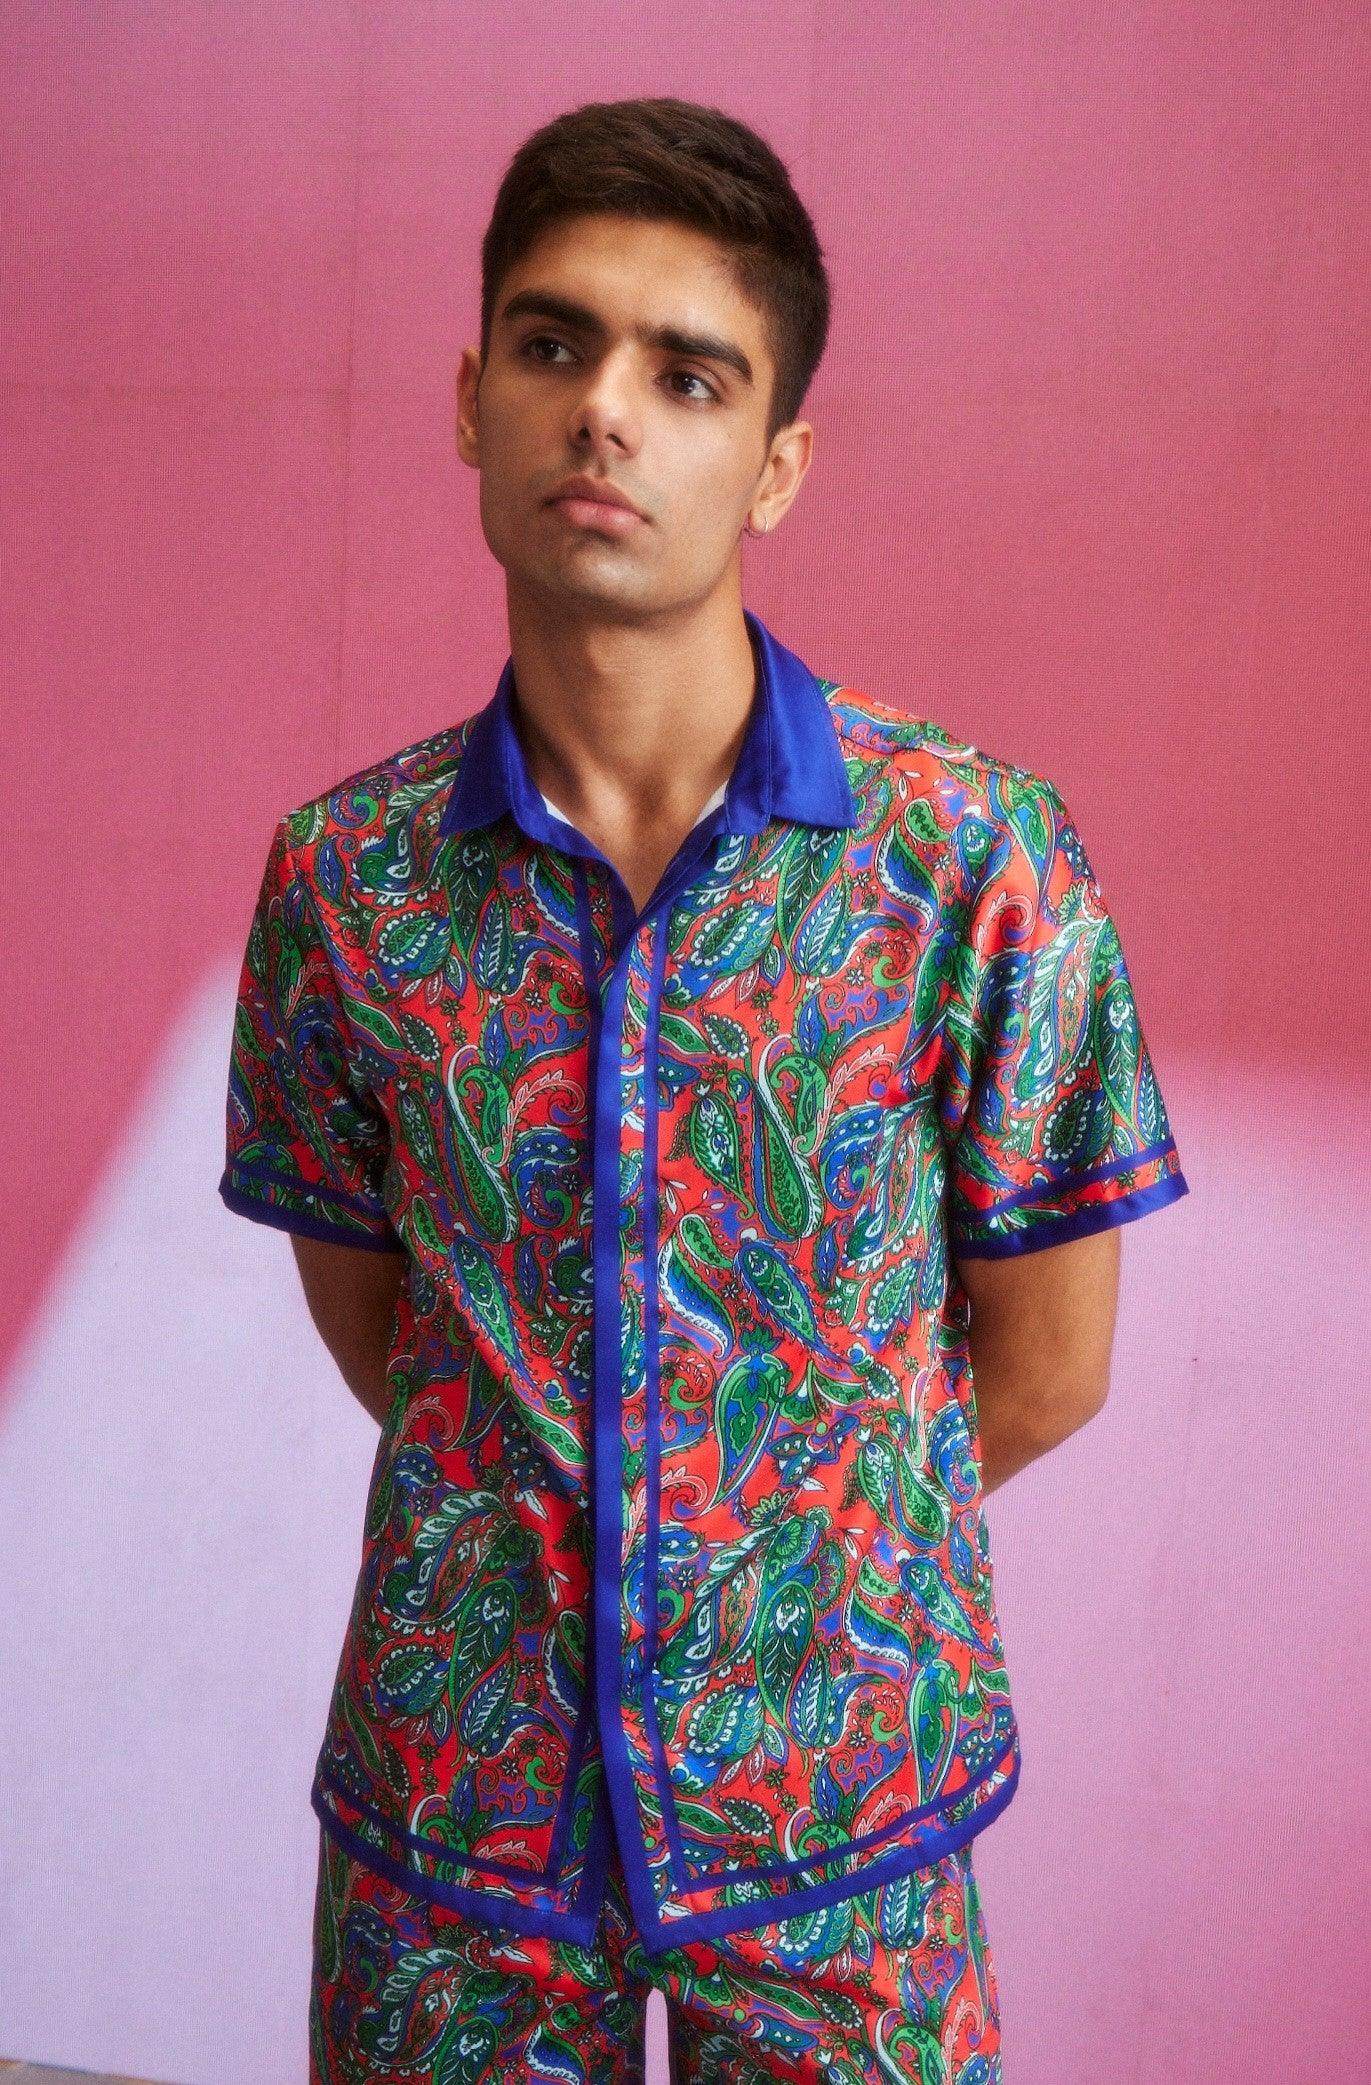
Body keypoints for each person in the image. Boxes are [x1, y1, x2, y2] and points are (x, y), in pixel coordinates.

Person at [219, 94, 1189, 2085]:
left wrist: (769, 1553)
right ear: (471, 396)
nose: (603, 414)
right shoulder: (348, 881)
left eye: (686, 375)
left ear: (775, 464)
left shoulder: (972, 861)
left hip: (843, 1816)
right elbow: (392, 1334)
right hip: (456, 1823)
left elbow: (1046, 1365)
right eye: (552, 344)